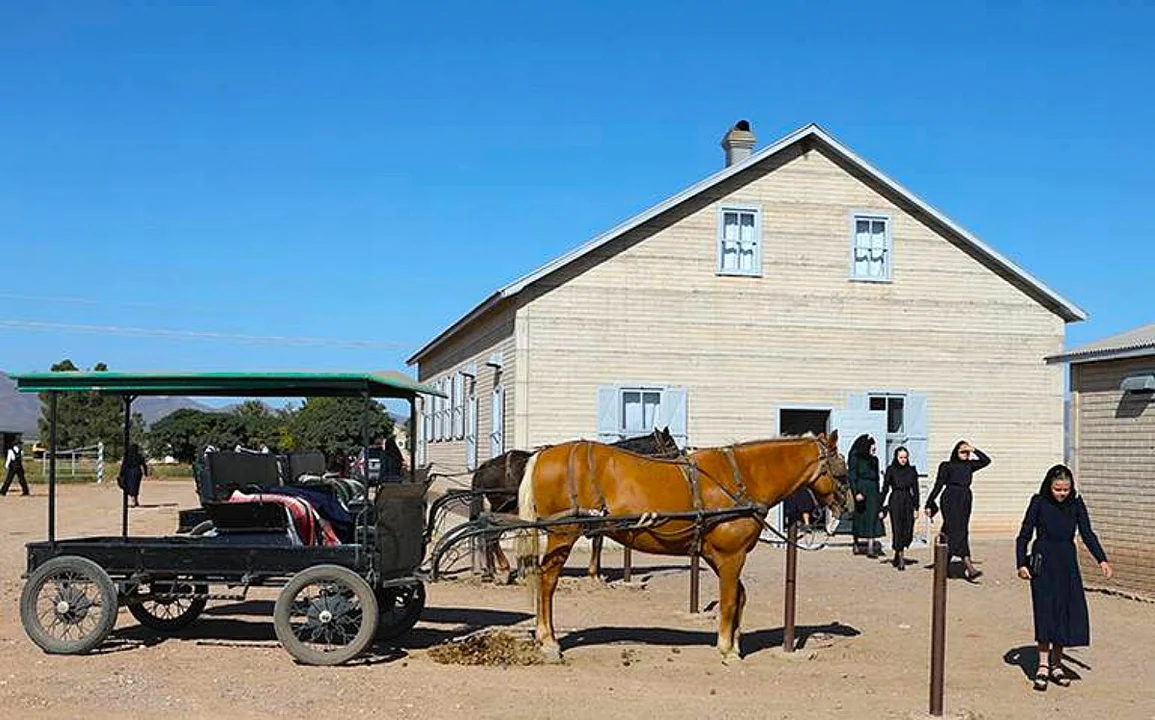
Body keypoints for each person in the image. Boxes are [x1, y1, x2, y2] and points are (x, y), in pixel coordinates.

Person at [1016, 464, 1112, 691]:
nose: (1061, 494)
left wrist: (1102, 559)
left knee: (1065, 612)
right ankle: (1042, 666)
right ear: (1049, 486)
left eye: (1065, 490)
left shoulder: (1076, 504)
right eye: (1057, 489)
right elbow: (1024, 534)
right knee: (1045, 610)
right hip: (1043, 562)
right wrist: (1021, 563)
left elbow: (1087, 533)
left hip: (1067, 562)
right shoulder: (1038, 502)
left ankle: (1057, 664)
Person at [926, 440, 990, 581]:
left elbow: (986, 461)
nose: (965, 454)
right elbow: (939, 484)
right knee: (959, 530)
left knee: (953, 530)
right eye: (962, 451)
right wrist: (929, 502)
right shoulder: (946, 466)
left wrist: (973, 449)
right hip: (950, 498)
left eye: (967, 452)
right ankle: (969, 565)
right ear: (956, 452)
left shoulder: (969, 465)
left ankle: (944, 566)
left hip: (965, 498)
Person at [880, 446, 920, 570]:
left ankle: (898, 552)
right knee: (898, 529)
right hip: (896, 500)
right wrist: (881, 507)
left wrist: (916, 507)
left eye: (905, 457)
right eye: (901, 457)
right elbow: (885, 489)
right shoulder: (891, 470)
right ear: (896, 457)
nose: (903, 460)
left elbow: (916, 490)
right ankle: (901, 558)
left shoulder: (912, 470)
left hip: (908, 499)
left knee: (908, 529)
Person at [847, 434, 885, 558]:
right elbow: (852, 476)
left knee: (873, 516)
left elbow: (877, 478)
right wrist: (856, 492)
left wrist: (879, 494)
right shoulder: (856, 458)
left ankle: (870, 546)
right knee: (860, 516)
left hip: (873, 490)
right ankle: (856, 543)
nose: (874, 450)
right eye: (872, 447)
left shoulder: (875, 460)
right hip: (861, 489)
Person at [117, 443, 148, 508]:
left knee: (129, 486)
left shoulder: (127, 456)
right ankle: (135, 500)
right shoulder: (139, 456)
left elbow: (124, 465)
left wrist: (121, 473)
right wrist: (145, 472)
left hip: (129, 473)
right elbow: (144, 464)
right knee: (136, 487)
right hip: (137, 472)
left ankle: (133, 500)